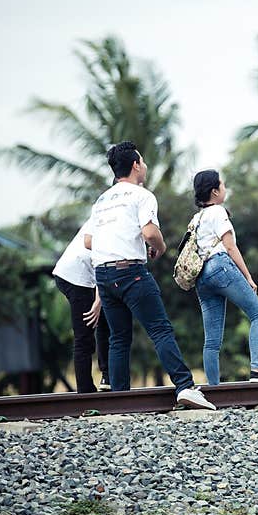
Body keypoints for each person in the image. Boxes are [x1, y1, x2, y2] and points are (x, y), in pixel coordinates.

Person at [85, 140, 215, 410]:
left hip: (103, 274)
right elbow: (150, 233)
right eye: (142, 162)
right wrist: (159, 247)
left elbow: (89, 241)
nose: (144, 166)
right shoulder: (142, 195)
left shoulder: (102, 200)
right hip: (131, 272)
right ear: (135, 165)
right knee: (160, 330)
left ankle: (119, 400)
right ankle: (185, 386)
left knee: (119, 338)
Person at [191, 170, 258, 384]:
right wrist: (248, 277)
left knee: (212, 341)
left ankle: (213, 389)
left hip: (201, 278)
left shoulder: (197, 218)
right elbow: (230, 247)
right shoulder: (217, 211)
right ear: (214, 191)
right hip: (220, 267)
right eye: (222, 185)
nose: (225, 188)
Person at [53, 219, 110, 393]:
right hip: (75, 277)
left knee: (105, 321)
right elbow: (102, 264)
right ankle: (85, 391)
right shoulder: (108, 218)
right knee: (84, 335)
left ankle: (107, 376)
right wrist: (97, 302)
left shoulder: (107, 211)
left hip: (81, 275)